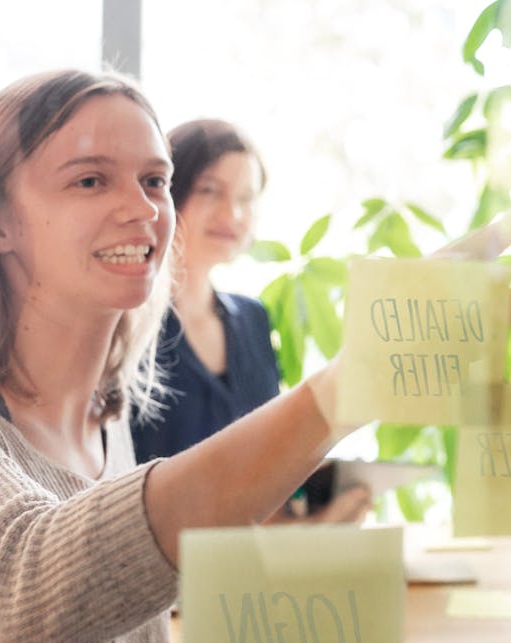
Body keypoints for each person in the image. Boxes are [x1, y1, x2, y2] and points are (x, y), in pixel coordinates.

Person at [0, 69, 511, 643]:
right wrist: (351, 384)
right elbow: (24, 595)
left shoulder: (107, 426)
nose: (142, 210)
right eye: (91, 181)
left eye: (155, 181)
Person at [132, 118, 369, 523]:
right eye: (211, 190)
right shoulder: (129, 327)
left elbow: (269, 464)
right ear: (167, 191)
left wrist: (311, 517)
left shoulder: (252, 319)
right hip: (160, 564)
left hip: (248, 566)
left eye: (247, 198)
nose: (233, 213)